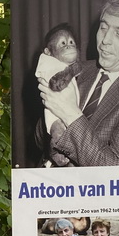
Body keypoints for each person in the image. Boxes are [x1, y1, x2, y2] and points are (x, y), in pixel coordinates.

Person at [38, 0, 119, 166]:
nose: (105, 40)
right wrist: (52, 124)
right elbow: (38, 138)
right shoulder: (77, 69)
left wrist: (69, 113)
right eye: (103, 28)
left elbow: (114, 167)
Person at [34, 24, 81, 160]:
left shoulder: (64, 65)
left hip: (68, 120)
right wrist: (73, 70)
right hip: (56, 119)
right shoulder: (48, 63)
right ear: (49, 51)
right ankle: (56, 155)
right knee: (59, 135)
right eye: (63, 44)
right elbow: (56, 84)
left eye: (71, 42)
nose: (69, 46)